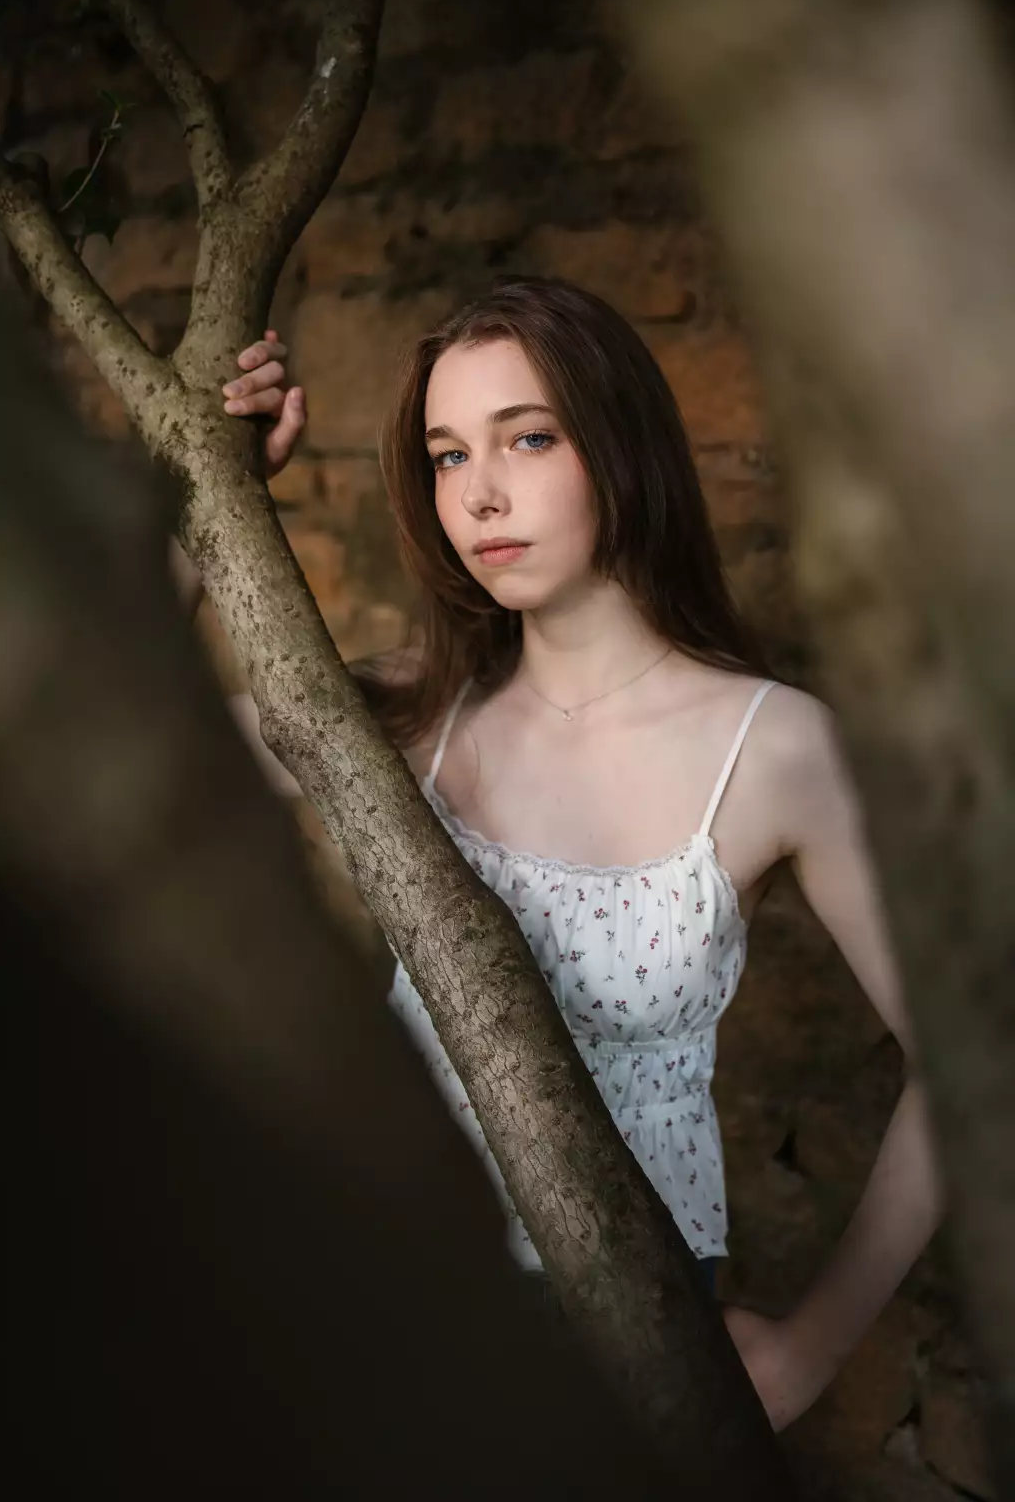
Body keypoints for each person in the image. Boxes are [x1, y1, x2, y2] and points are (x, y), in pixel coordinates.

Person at [213, 277, 941, 1431]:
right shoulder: (412, 709)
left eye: (528, 438)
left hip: (621, 1348)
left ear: (619, 444)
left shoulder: (775, 746)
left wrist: (808, 1350)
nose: (481, 495)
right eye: (448, 457)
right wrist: (210, 494)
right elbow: (140, 751)